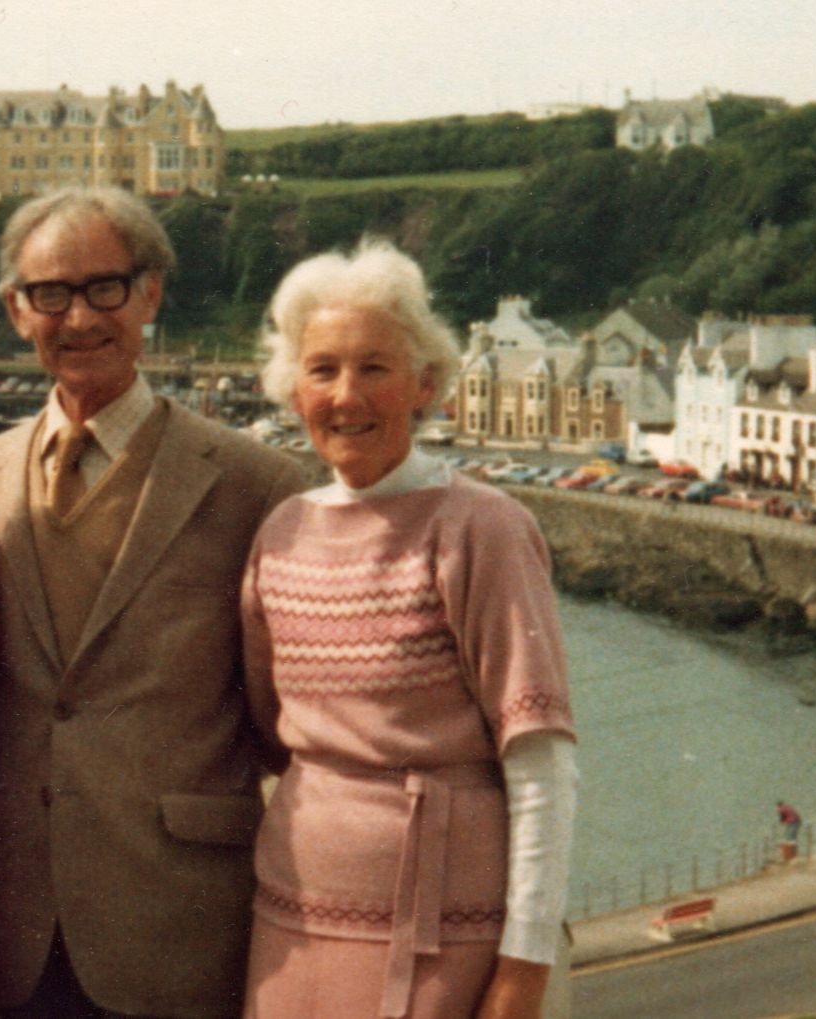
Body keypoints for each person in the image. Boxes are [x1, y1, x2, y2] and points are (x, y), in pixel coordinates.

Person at [0, 187, 310, 1018]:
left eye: (104, 287)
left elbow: (285, 722)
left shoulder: (254, 482)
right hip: (21, 929)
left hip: (183, 923)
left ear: (150, 293)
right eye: (51, 294)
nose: (78, 318)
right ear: (16, 310)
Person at [239, 240, 577, 1019]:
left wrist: (524, 971)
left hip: (440, 933)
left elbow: (543, 765)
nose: (346, 394)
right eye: (322, 369)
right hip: (290, 921)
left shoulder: (483, 529)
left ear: (426, 383)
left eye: (375, 368)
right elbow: (272, 731)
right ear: (293, 391)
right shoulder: (280, 533)